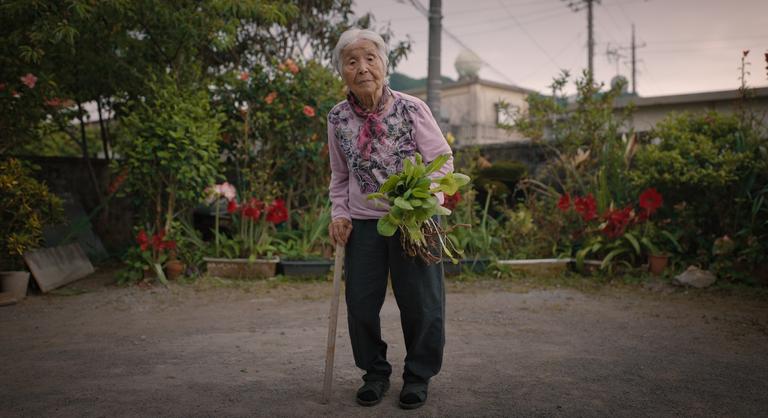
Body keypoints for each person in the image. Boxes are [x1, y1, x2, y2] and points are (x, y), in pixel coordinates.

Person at [326, 27, 454, 410]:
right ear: (342, 71)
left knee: (422, 303)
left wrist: (421, 200)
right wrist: (339, 212)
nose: (362, 67)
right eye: (352, 61)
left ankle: (417, 375)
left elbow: (441, 161)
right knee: (361, 304)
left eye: (370, 58)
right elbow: (340, 175)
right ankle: (375, 374)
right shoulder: (336, 119)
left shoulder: (412, 108)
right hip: (364, 224)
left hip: (415, 221)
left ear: (384, 64)